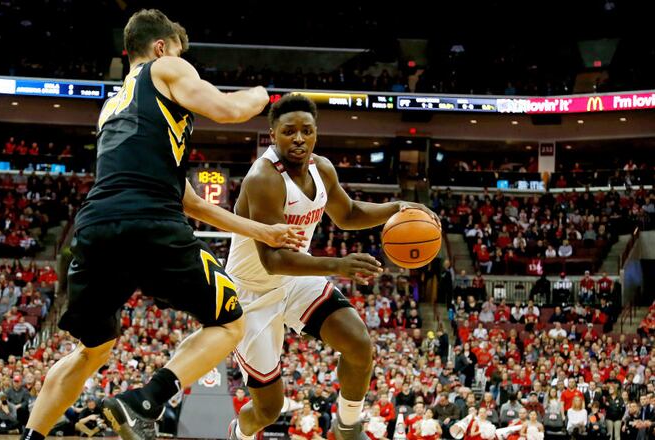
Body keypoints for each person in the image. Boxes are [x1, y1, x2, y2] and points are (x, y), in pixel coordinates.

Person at [23, 9, 293, 440]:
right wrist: (265, 94)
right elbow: (227, 110)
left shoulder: (113, 106)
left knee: (90, 350)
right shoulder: (165, 67)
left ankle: (31, 436)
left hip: (95, 228)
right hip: (148, 222)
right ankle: (145, 400)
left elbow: (189, 201)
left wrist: (261, 232)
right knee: (228, 322)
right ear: (163, 47)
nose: (189, 71)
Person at [225, 94, 438, 440]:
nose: (298, 139)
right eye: (288, 131)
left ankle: (347, 426)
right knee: (269, 410)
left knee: (358, 343)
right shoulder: (263, 178)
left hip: (295, 279)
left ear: (316, 133)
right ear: (273, 134)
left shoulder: (321, 168)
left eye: (306, 131)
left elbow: (349, 214)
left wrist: (397, 207)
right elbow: (273, 259)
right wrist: (339, 265)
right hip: (253, 291)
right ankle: (240, 431)